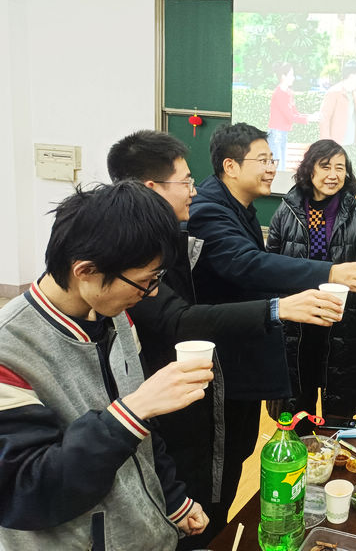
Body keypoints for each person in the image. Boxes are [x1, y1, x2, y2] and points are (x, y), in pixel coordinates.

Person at [107, 130, 342, 547]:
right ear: (152, 188)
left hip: (205, 381)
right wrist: (281, 306)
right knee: (196, 490)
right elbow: (179, 317)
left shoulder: (174, 230)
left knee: (216, 481)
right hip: (178, 391)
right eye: (185, 181)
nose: (194, 191)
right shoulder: (132, 247)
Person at [0, 181, 212, 550]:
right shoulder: (10, 350)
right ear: (86, 270)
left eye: (157, 278)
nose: (153, 292)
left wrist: (172, 500)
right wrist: (131, 411)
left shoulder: (116, 317)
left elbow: (142, 433)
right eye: (145, 281)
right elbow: (26, 491)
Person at [187, 122, 356, 516]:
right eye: (262, 160)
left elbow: (259, 265)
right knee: (229, 458)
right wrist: (325, 275)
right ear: (230, 166)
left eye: (272, 159)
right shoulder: (224, 208)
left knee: (251, 444)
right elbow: (254, 264)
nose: (270, 167)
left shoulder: (352, 208)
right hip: (260, 337)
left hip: (332, 323)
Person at [267, 139, 356, 426]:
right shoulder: (287, 209)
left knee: (339, 411)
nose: (333, 175)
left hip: (344, 321)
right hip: (299, 322)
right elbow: (270, 264)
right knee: (297, 408)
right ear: (309, 169)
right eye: (325, 166)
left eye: (340, 167)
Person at [266, 63, 318, 169]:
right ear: (283, 76)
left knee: (281, 167)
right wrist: (309, 118)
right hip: (276, 135)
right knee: (277, 168)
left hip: (282, 134)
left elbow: (295, 113)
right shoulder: (279, 93)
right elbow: (290, 116)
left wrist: (310, 116)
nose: (293, 78)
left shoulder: (289, 92)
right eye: (291, 75)